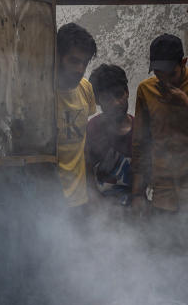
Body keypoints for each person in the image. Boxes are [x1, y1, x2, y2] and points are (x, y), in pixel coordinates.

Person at [132, 33, 188, 305]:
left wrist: (186, 104)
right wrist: (137, 192)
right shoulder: (146, 90)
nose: (163, 79)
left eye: (169, 72)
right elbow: (140, 143)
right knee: (168, 252)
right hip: (165, 187)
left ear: (184, 62)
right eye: (157, 72)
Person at [56, 23, 98, 209]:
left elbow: (82, 144)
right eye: (74, 61)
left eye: (85, 62)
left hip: (80, 199)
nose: (80, 69)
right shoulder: (40, 96)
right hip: (48, 198)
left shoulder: (86, 88)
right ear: (57, 57)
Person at [86, 64, 133, 207]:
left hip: (133, 206)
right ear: (98, 101)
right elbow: (86, 172)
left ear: (127, 92)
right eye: (107, 98)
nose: (116, 103)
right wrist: (97, 204)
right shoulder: (92, 129)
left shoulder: (141, 129)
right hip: (102, 208)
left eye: (119, 94)